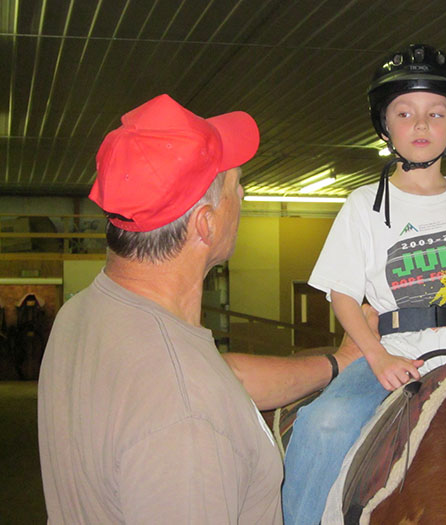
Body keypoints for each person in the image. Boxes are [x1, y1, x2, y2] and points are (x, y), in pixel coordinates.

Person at [37, 94, 369, 524]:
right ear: (205, 224)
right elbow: (193, 397)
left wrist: (338, 362)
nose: (245, 194)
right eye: (236, 185)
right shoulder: (188, 419)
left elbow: (220, 377)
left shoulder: (82, 314)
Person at [282, 44, 446, 524]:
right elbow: (343, 294)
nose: (421, 125)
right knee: (324, 423)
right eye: (405, 113)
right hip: (393, 350)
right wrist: (377, 356)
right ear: (385, 127)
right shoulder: (363, 205)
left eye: (435, 113)